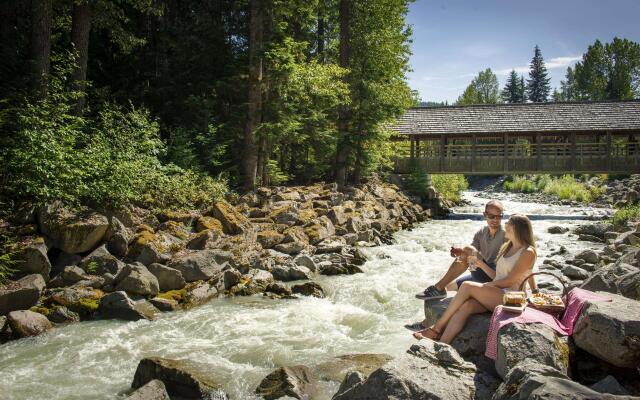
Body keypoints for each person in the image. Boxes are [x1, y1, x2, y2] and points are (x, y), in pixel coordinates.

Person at [413, 214, 537, 343]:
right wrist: (480, 264)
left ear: (517, 228)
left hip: (512, 298)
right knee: (466, 307)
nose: (505, 225)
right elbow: (498, 276)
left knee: (467, 285)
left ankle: (436, 329)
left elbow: (510, 281)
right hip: (498, 293)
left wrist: (486, 286)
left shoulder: (528, 252)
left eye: (508, 223)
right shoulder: (508, 246)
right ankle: (442, 344)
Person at [416, 199, 506, 301]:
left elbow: (471, 252)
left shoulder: (506, 234)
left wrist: (466, 252)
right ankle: (440, 289)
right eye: (491, 216)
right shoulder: (480, 232)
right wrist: (460, 254)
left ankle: (438, 288)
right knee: (448, 286)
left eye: (499, 216)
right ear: (485, 214)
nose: (495, 220)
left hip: (494, 277)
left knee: (467, 250)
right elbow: (471, 258)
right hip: (480, 273)